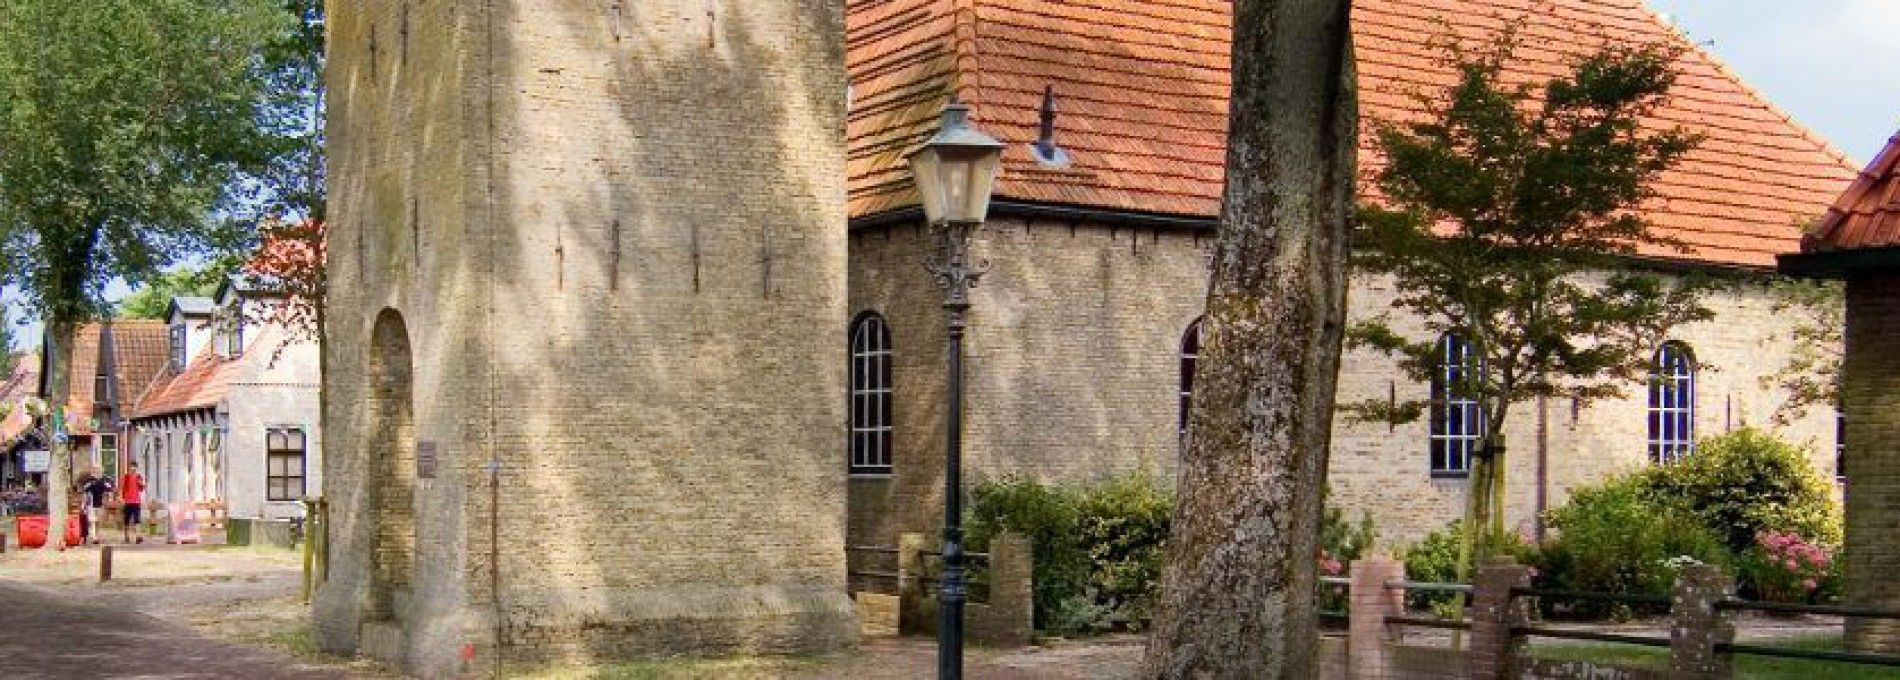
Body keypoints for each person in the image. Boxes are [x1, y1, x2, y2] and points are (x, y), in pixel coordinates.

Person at [77, 466, 113, 546]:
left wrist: (109, 499)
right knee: (92, 520)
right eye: (95, 470)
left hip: (100, 504)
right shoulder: (89, 481)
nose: (97, 472)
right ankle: (94, 537)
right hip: (91, 504)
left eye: (99, 470)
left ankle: (96, 535)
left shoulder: (104, 481)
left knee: (98, 521)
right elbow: (86, 493)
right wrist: (83, 505)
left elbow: (109, 490)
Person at [119, 462, 145, 544]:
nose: (133, 469)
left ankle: (138, 536)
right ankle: (126, 536)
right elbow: (123, 488)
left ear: (136, 468)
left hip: (136, 501)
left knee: (137, 519)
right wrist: (122, 498)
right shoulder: (126, 477)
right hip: (128, 501)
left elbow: (142, 488)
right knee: (126, 519)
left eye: (134, 467)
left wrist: (141, 484)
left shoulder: (139, 477)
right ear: (129, 468)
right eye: (131, 467)